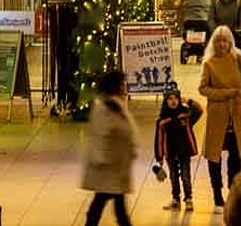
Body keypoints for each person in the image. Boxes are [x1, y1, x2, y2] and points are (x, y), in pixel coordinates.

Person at [199, 25, 241, 212]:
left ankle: (234, 190)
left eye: (225, 40)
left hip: (237, 114)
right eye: (218, 41)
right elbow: (203, 88)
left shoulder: (238, 59)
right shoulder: (209, 63)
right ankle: (216, 192)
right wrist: (225, 94)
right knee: (213, 155)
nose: (222, 44)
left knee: (236, 155)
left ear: (230, 42)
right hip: (217, 114)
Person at [81, 71, 139, 226]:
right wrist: (102, 158)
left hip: (116, 166)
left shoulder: (116, 105)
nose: (125, 87)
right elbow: (100, 135)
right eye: (122, 84)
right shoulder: (104, 108)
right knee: (111, 203)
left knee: (108, 201)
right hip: (109, 167)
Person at [153, 85, 203, 210]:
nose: (173, 101)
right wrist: (159, 156)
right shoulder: (162, 120)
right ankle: (176, 199)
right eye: (170, 98)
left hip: (184, 151)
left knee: (186, 176)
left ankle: (189, 198)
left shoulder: (186, 115)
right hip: (170, 152)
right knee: (173, 177)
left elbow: (199, 110)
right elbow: (158, 139)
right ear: (165, 101)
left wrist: (189, 101)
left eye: (176, 98)